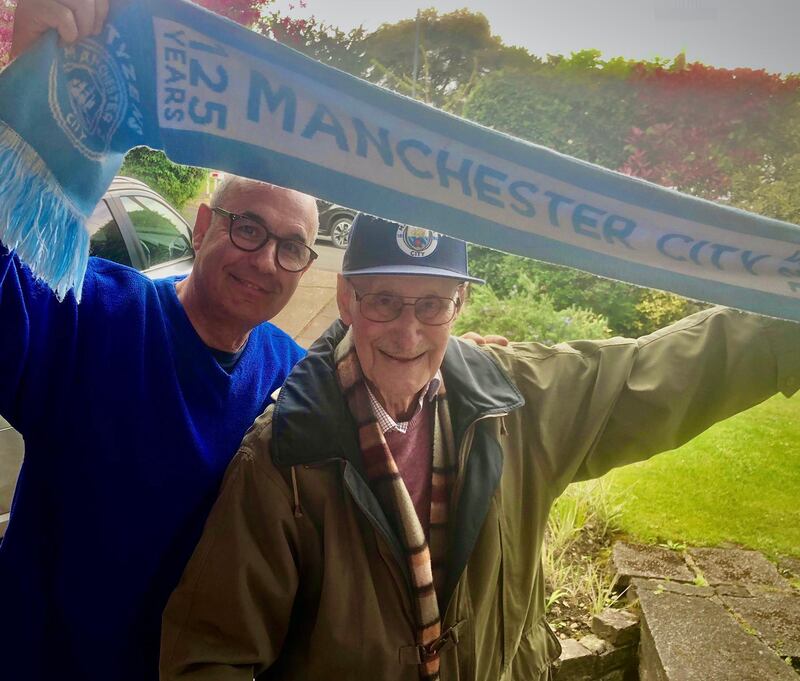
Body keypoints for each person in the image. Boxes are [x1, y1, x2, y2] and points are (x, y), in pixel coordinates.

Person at [161, 213, 799, 681]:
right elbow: (212, 654)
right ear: (348, 298)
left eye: (433, 305)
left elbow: (663, 375)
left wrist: (783, 315)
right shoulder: (286, 456)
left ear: (461, 302)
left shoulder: (520, 402)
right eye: (385, 301)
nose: (409, 333)